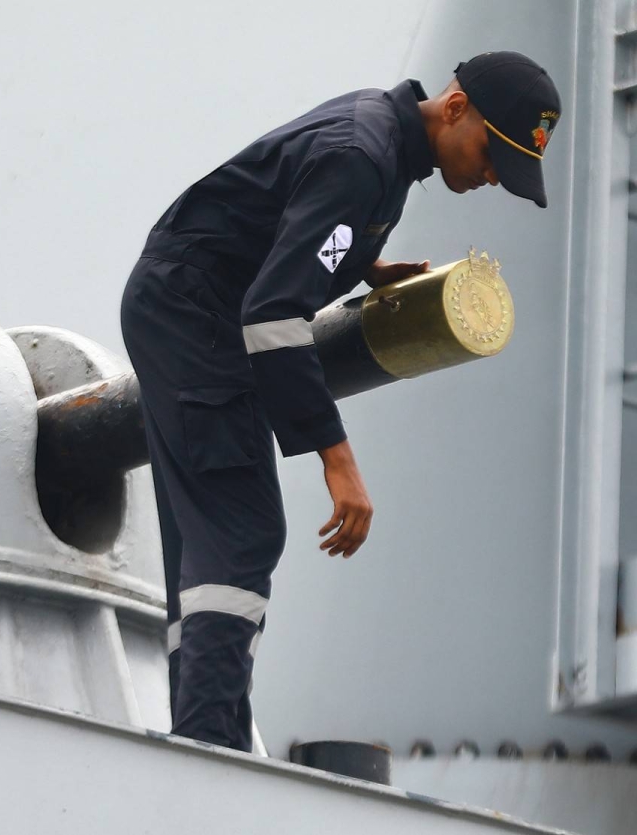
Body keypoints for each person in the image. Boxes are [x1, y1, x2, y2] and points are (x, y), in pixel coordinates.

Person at [119, 51, 562, 753]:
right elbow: (271, 316)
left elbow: (285, 221)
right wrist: (338, 458)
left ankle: (209, 734)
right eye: (489, 154)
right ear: (454, 108)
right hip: (193, 314)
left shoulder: (384, 143)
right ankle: (208, 747)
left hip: (184, 305)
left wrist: (360, 260)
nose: (489, 177)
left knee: (213, 541)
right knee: (242, 530)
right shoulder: (366, 158)